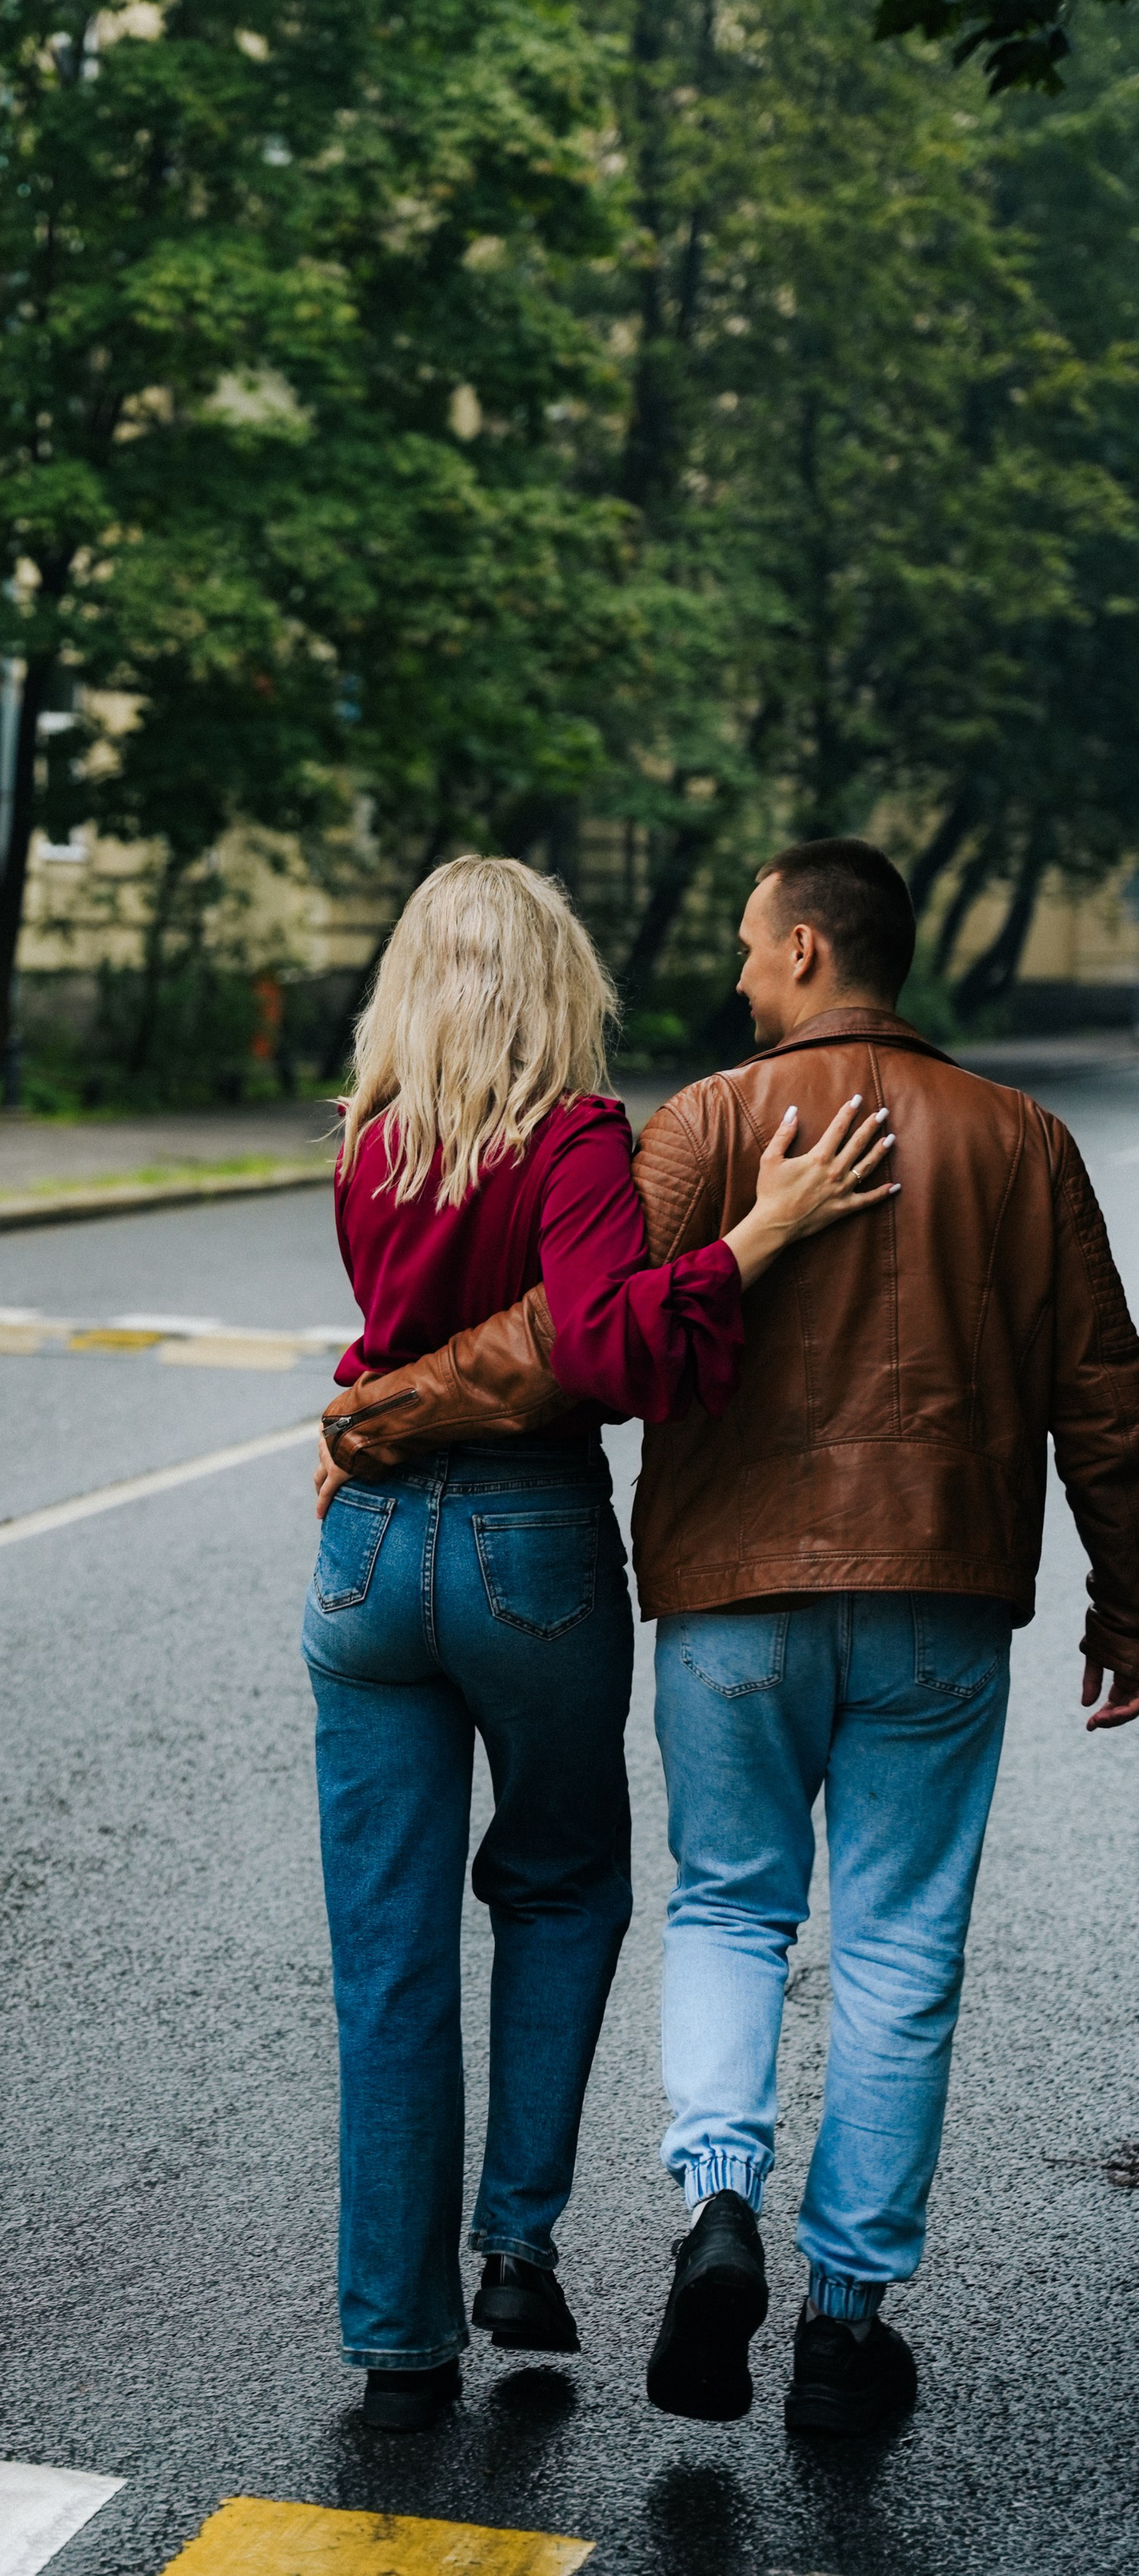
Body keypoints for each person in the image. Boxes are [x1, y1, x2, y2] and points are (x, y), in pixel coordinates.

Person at [326, 837, 1139, 2442]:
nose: (735, 973)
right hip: (940, 1598)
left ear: (812, 956)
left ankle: (716, 2201)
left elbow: (574, 1339)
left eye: (754, 947)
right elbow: (1101, 1395)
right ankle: (842, 2323)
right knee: (900, 1946)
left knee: (725, 1907)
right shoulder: (1024, 1141)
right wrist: (1126, 1599)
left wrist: (376, 1412)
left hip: (727, 1602)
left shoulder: (697, 1122)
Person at [306, 854, 893, 2432]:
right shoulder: (571, 1136)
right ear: (558, 981)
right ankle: (513, 2244)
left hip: (363, 1554)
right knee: (560, 1884)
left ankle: (397, 2334)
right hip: (524, 1550)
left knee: (386, 1952)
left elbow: (408, 1334)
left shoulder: (368, 1138)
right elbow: (608, 1343)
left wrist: (364, 1427)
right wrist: (753, 1236)